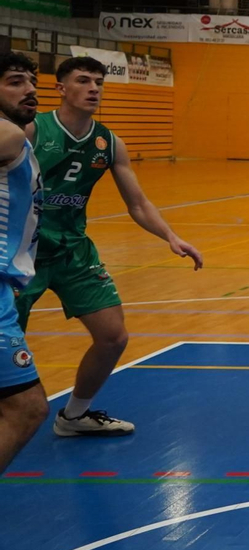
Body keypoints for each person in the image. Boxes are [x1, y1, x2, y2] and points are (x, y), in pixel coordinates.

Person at [19, 56, 203, 437]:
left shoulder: (108, 142)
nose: (93, 89)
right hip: (24, 251)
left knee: (113, 336)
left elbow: (137, 203)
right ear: (60, 88)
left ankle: (73, 416)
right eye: (83, 81)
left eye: (99, 82)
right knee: (9, 344)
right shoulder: (33, 131)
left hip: (72, 250)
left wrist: (171, 236)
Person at [0, 52, 46, 474]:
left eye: (32, 81)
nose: (30, 89)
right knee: (27, 408)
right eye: (16, 81)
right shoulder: (7, 137)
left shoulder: (19, 132)